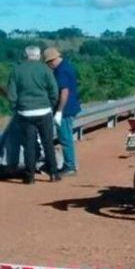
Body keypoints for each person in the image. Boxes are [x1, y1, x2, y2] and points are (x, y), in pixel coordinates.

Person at [7, 46, 60, 184]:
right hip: (43, 111)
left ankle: (30, 176)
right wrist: (50, 105)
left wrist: (15, 108)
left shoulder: (16, 70)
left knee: (28, 144)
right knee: (48, 142)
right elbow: (54, 90)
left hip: (25, 112)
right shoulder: (45, 69)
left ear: (25, 55)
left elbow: (12, 94)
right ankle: (53, 173)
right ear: (38, 55)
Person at [43, 47, 82, 176]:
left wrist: (59, 111)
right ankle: (70, 164)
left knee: (65, 138)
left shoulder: (60, 71)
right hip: (71, 107)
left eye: (48, 63)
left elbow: (64, 91)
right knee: (66, 137)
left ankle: (70, 166)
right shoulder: (67, 66)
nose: (49, 66)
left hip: (65, 109)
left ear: (52, 61)